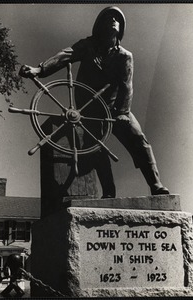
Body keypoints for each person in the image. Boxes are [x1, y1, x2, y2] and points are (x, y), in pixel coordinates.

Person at [20, 6, 169, 197]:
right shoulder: (87, 46)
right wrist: (39, 70)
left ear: (121, 27)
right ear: (99, 25)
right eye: (109, 17)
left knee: (138, 139)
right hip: (89, 109)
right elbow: (65, 55)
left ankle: (156, 185)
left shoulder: (125, 56)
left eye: (117, 18)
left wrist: (123, 112)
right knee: (96, 148)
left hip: (115, 107)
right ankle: (109, 192)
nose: (114, 20)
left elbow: (127, 86)